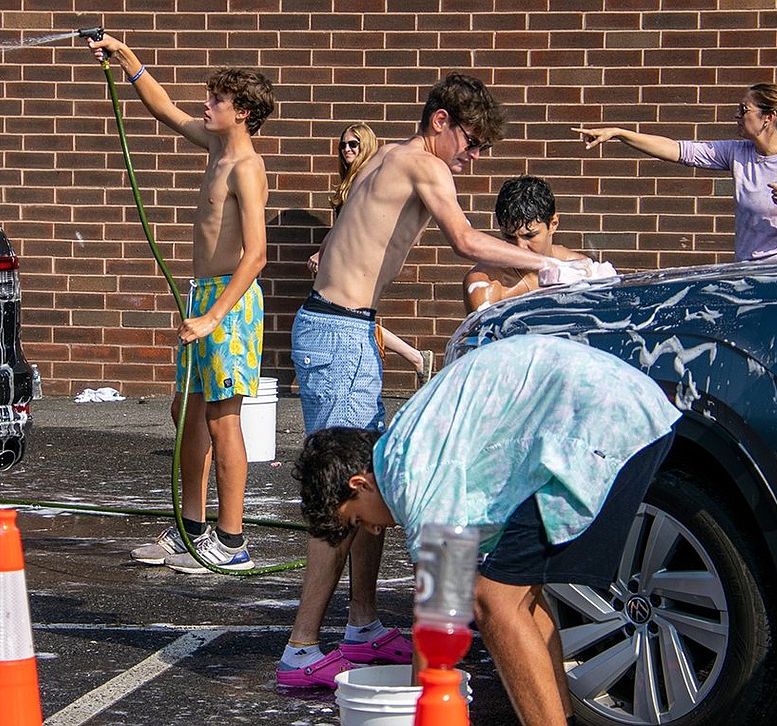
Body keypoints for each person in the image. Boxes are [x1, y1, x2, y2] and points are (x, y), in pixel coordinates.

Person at [280, 73, 587, 688]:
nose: (473, 159)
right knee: (345, 488)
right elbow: (466, 241)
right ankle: (302, 646)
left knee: (375, 475)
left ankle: (361, 624)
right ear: (441, 121)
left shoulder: (391, 155)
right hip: (338, 331)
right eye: (471, 143)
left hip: (348, 327)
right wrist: (558, 264)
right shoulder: (424, 163)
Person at [294, 334, 681, 725]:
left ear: (360, 484)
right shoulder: (410, 446)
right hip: (618, 409)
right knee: (518, 594)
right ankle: (561, 715)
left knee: (493, 601)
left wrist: (424, 709)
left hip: (602, 424)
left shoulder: (410, 473)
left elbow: (437, 614)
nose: (373, 531)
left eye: (358, 520)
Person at [87, 34, 275, 573]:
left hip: (230, 305)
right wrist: (128, 60)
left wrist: (216, 314)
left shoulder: (246, 167)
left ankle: (232, 541)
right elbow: (164, 109)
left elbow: (257, 254)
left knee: (224, 420)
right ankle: (191, 529)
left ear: (241, 112)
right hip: (202, 298)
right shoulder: (217, 149)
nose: (206, 105)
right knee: (186, 412)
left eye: (217, 100)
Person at [573, 83, 777, 263]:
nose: (737, 116)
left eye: (744, 110)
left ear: (768, 118)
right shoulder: (738, 152)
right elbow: (678, 150)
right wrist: (619, 133)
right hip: (745, 271)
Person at [309, 123, 434, 386]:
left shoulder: (364, 178)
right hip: (348, 266)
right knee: (352, 317)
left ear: (366, 146)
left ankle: (415, 357)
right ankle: (416, 358)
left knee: (349, 316)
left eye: (353, 144)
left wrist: (322, 253)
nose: (346, 149)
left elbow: (347, 229)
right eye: (343, 144)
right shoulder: (354, 178)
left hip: (363, 266)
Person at [463, 175, 597, 314]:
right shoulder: (487, 284)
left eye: (529, 236)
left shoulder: (581, 270)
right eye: (509, 237)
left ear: (553, 224)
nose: (520, 247)